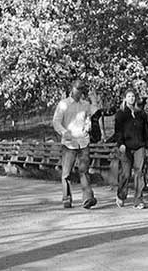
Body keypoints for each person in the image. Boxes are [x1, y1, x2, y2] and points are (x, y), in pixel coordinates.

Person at [52, 77, 98, 209]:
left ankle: (88, 198)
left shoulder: (85, 105)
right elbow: (56, 121)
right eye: (77, 89)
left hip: (83, 141)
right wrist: (63, 131)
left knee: (84, 171)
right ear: (72, 89)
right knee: (66, 173)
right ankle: (66, 198)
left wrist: (88, 125)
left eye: (81, 89)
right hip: (69, 143)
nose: (79, 92)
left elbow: (90, 117)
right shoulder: (63, 104)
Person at [114, 87, 148, 209]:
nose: (131, 98)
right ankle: (121, 195)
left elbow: (146, 131)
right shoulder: (121, 114)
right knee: (125, 173)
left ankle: (138, 199)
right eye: (129, 96)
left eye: (133, 96)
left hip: (139, 146)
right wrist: (121, 144)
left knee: (139, 172)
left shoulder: (141, 114)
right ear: (125, 98)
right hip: (126, 147)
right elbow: (118, 131)